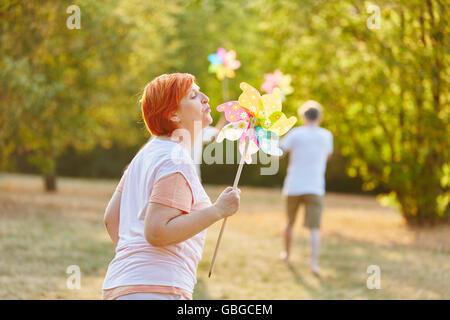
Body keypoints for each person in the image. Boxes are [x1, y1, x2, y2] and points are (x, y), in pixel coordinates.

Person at [102, 73, 240, 300]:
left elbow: (111, 218)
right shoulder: (175, 158)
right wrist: (218, 210)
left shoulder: (145, 155)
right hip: (156, 289)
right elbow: (157, 232)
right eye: (194, 95)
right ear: (173, 114)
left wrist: (137, 260)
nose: (205, 98)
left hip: (121, 286)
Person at [279, 100, 333, 275]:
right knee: (315, 228)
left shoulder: (296, 133)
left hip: (294, 185)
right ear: (320, 117)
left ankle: (287, 255)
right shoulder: (326, 135)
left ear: (303, 116)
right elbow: (327, 156)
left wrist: (273, 137)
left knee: (289, 223)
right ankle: (314, 264)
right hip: (315, 186)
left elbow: (279, 152)